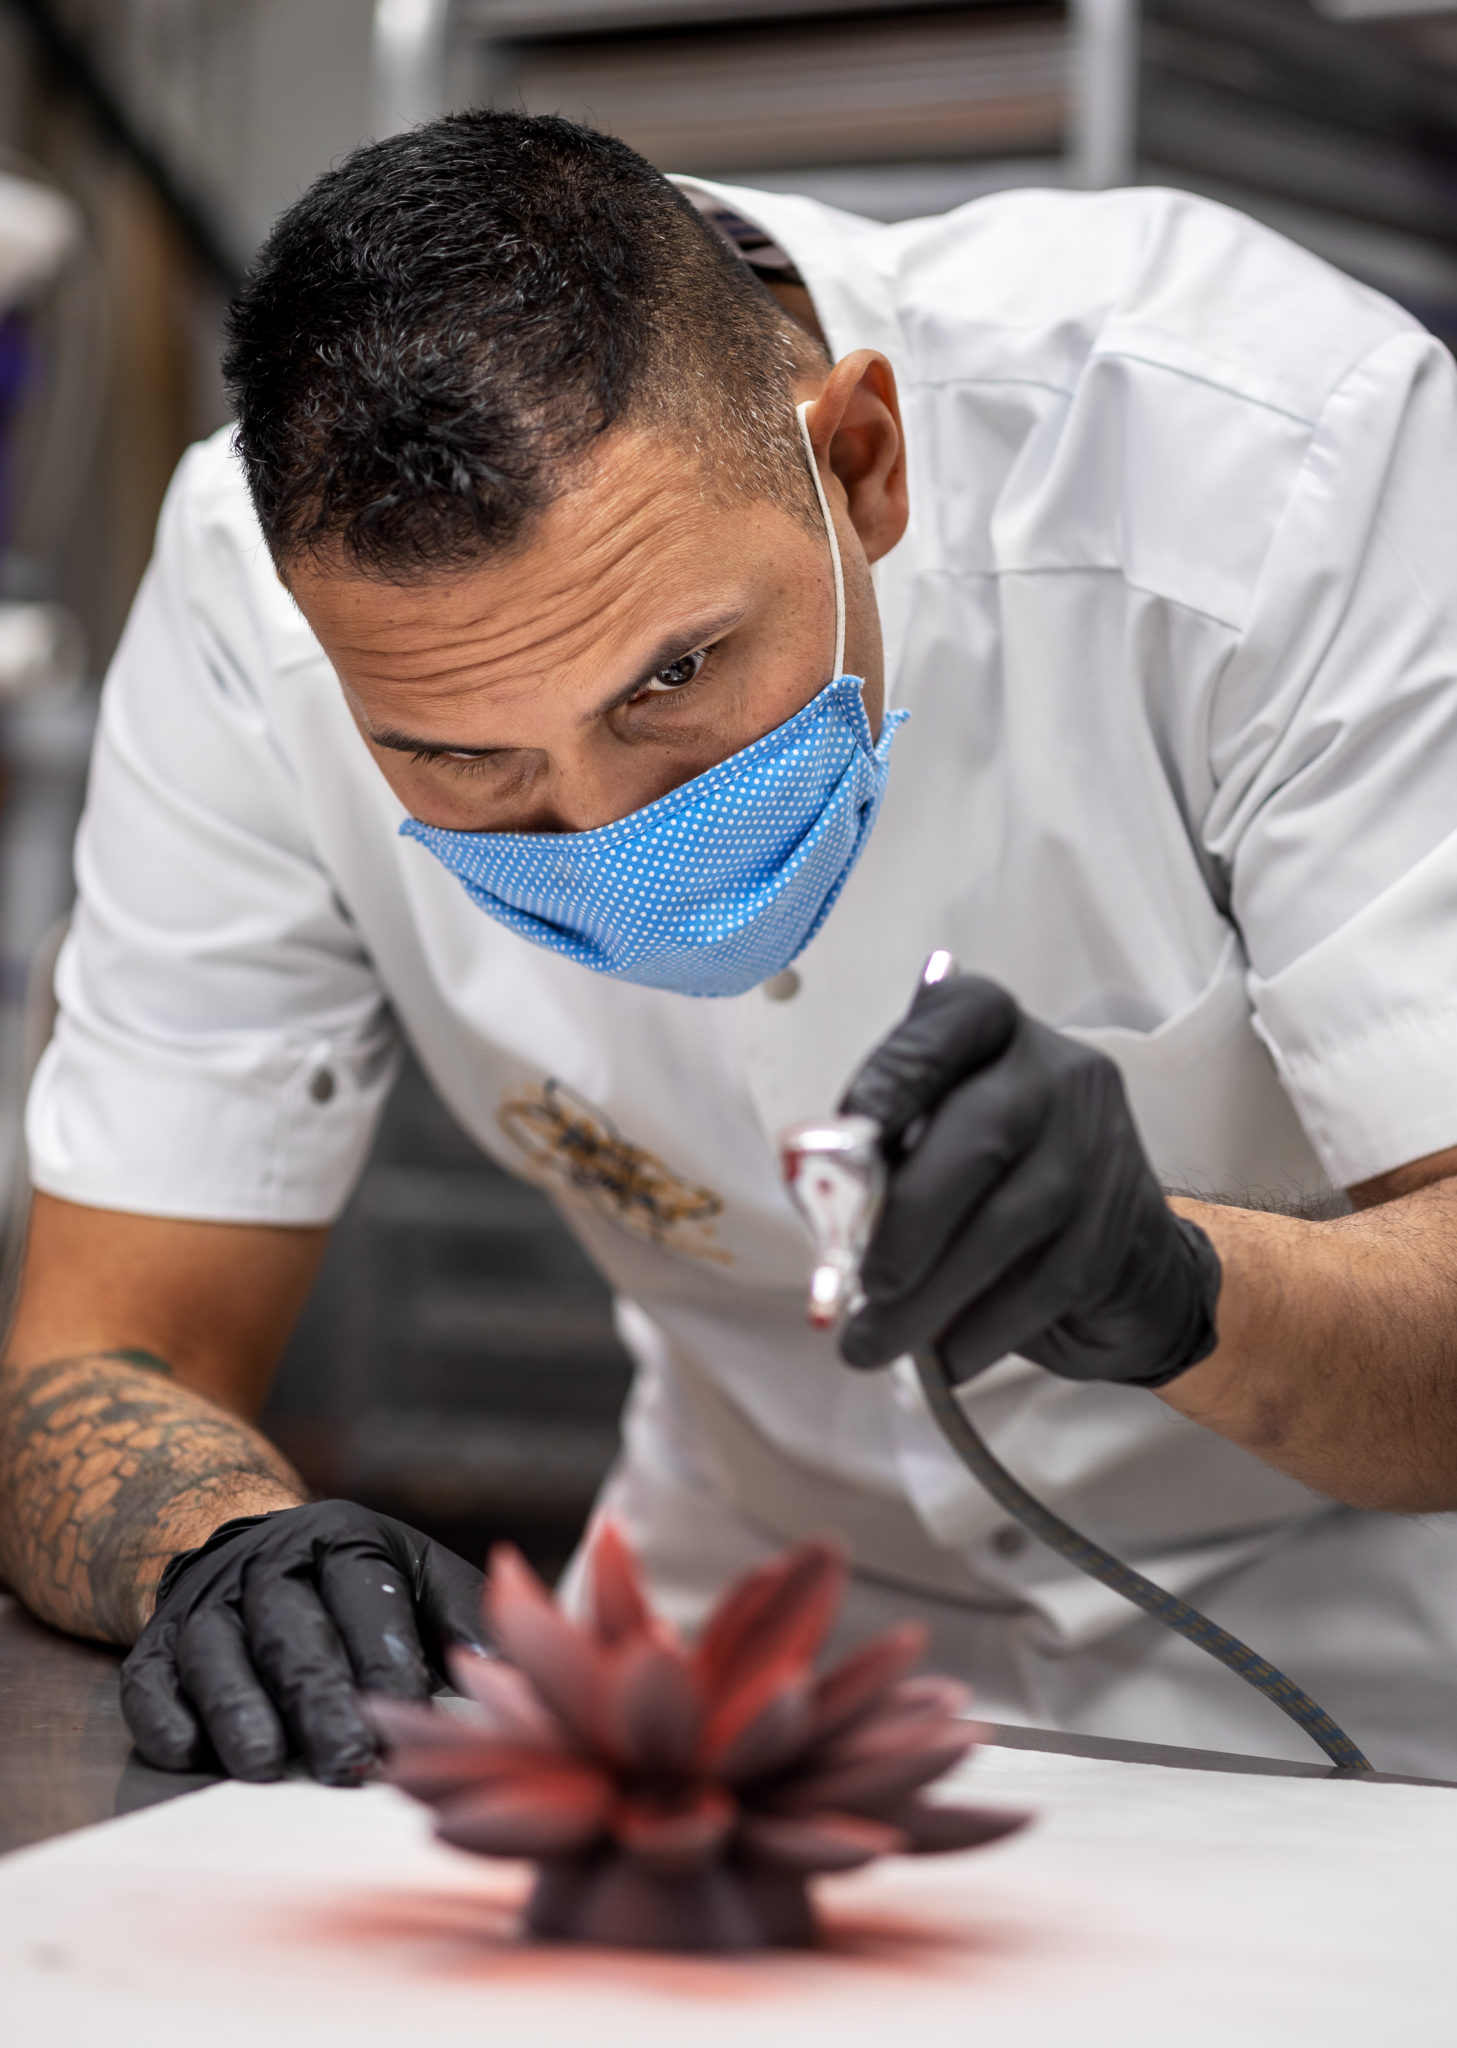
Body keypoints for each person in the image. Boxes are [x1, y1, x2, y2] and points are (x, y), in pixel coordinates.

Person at [3, 111, 1457, 1787]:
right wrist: (219, 1547)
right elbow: (105, 1355)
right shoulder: (248, 607)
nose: (612, 827)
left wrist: (1181, 1282)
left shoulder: (1271, 461)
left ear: (859, 465)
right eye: (465, 757)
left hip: (1360, 1674)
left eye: (674, 677)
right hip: (731, 1675)